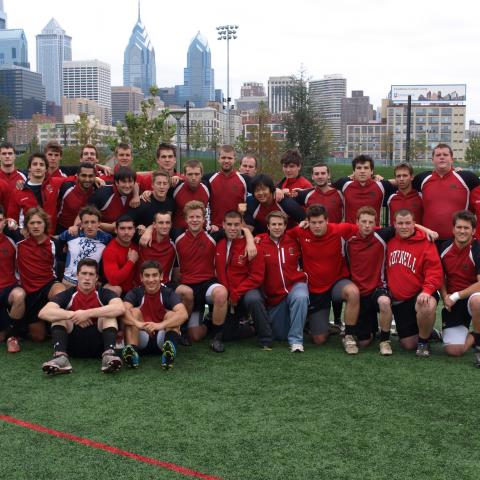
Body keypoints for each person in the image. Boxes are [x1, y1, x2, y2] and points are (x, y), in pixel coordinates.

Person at [288, 204, 361, 354]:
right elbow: (280, 235)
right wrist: (254, 240)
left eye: (320, 222)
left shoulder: (339, 229)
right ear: (308, 221)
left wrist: (420, 229)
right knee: (319, 340)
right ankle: (324, 326)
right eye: (313, 222)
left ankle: (348, 335)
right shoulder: (300, 232)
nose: (317, 226)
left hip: (336, 282)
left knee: (353, 292)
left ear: (327, 221)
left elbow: (368, 229)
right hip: (315, 288)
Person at [39, 259, 125, 374]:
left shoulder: (104, 293)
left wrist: (87, 313)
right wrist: (74, 315)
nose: (87, 278)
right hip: (73, 344)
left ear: (96, 278)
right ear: (77, 275)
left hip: (98, 345)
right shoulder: (68, 294)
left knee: (109, 315)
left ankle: (109, 355)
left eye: (91, 274)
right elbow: (44, 312)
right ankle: (61, 358)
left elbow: (120, 308)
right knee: (59, 316)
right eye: (84, 273)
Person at [386, 209, 443, 357]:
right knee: (408, 344)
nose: (404, 227)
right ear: (394, 225)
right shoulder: (388, 240)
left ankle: (424, 342)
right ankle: (429, 332)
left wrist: (427, 291)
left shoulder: (426, 242)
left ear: (414, 224)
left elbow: (435, 272)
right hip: (400, 301)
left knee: (426, 303)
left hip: (419, 294)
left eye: (407, 223)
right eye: (400, 223)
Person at [174, 200, 228, 352]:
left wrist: (250, 238)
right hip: (188, 286)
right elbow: (158, 227)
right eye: (191, 217)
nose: (195, 220)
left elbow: (236, 230)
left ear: (204, 219)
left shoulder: (213, 235)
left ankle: (217, 337)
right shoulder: (176, 235)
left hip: (207, 284)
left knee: (221, 293)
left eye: (198, 217)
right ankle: (187, 329)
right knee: (195, 336)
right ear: (185, 219)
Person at [255, 211, 309, 351]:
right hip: (275, 296)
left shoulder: (293, 239)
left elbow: (304, 231)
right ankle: (290, 328)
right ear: (268, 226)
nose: (277, 227)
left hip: (295, 285)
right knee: (280, 335)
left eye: (280, 224)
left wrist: (305, 223)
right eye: (273, 224)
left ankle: (297, 341)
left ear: (285, 226)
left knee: (301, 297)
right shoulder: (260, 243)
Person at [345, 206, 395, 355]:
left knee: (385, 302)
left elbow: (406, 224)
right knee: (364, 342)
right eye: (364, 221)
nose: (367, 225)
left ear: (376, 223)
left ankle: (385, 341)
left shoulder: (381, 236)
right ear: (357, 222)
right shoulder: (349, 241)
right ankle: (372, 329)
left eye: (370, 222)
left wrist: (429, 232)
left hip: (377, 289)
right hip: (359, 294)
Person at [122, 260, 188, 369]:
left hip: (162, 339)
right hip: (141, 337)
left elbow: (183, 314)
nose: (151, 279)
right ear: (141, 278)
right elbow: (122, 311)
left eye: (154, 275)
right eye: (147, 276)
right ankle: (132, 353)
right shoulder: (135, 292)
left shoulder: (168, 293)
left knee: (172, 315)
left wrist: (159, 325)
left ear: (161, 276)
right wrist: (138, 324)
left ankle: (168, 356)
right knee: (133, 312)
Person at [16, 207, 66, 345]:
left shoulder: (54, 243)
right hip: (29, 292)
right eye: (32, 223)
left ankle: (65, 335)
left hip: (48, 285)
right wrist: (10, 221)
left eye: (39, 222)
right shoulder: (19, 243)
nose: (36, 226)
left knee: (61, 293)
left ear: (45, 224)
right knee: (38, 337)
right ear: (26, 226)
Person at [412, 143, 479, 242]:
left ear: (452, 159)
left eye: (445, 155)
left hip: (458, 242)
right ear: (433, 160)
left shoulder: (467, 178)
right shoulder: (422, 178)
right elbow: (403, 182)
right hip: (429, 240)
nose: (442, 157)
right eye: (438, 155)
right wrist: (381, 180)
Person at [439, 210, 480, 366]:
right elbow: (440, 277)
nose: (462, 231)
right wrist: (445, 297)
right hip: (455, 301)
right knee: (454, 351)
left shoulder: (477, 249)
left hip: (472, 296)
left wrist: (455, 296)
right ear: (453, 229)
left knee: (478, 302)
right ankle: (475, 334)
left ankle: (478, 349)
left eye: (466, 228)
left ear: (473, 231)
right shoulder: (444, 248)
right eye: (459, 227)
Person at [215, 211, 261, 342]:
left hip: (240, 294)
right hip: (223, 294)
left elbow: (256, 277)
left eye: (236, 224)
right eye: (229, 224)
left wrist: (236, 293)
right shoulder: (218, 241)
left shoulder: (249, 245)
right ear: (223, 225)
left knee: (228, 334)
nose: (233, 228)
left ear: (241, 225)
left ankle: (251, 326)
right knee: (222, 331)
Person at [58, 205, 112, 287]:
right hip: (68, 282)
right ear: (81, 224)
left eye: (93, 222)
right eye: (86, 222)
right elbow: (57, 244)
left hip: (90, 285)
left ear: (99, 223)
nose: (89, 226)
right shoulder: (71, 234)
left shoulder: (106, 238)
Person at [333, 154, 395, 225]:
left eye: (366, 168)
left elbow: (404, 182)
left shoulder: (381, 185)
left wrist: (383, 179)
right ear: (353, 171)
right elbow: (326, 186)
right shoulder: (344, 184)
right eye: (359, 168)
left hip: (373, 233)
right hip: (350, 234)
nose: (362, 171)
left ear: (372, 171)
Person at [7, 153, 59, 233]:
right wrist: (19, 231)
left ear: (46, 169)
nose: (38, 167)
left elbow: (76, 179)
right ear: (29, 168)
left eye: (41, 165)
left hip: (49, 237)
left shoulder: (55, 183)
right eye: (35, 164)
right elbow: (11, 219)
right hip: (27, 240)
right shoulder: (18, 191)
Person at [203, 145, 249, 229]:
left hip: (236, 229)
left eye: (230, 158)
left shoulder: (245, 179)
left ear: (235, 159)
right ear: (219, 159)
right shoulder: (208, 179)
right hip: (215, 229)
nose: (226, 161)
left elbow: (262, 187)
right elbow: (192, 180)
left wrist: (276, 189)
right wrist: (178, 178)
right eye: (223, 157)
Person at [0, 205, 26, 352]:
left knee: (19, 295)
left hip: (8, 288)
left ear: (4, 221)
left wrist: (16, 228)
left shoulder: (12, 239)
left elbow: (28, 240)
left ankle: (13, 337)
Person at [88, 166, 137, 232]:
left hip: (125, 234)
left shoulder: (136, 195)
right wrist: (104, 226)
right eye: (124, 182)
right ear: (116, 182)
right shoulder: (102, 193)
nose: (127, 185)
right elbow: (86, 216)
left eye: (130, 181)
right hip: (100, 233)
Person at [102, 215, 139, 296]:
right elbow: (113, 280)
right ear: (116, 230)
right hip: (119, 291)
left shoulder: (137, 246)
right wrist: (131, 261)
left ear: (134, 230)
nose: (126, 232)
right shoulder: (110, 250)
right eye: (122, 228)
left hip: (135, 291)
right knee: (115, 289)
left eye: (129, 228)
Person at [56, 162, 97, 233]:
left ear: (95, 177)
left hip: (86, 230)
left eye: (90, 176)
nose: (87, 179)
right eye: (84, 175)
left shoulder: (97, 190)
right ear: (77, 176)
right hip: (62, 229)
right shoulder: (66, 187)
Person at [138, 211, 177, 286]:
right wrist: (145, 230)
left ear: (171, 225)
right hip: (141, 286)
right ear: (154, 225)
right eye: (161, 223)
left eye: (167, 223)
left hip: (164, 286)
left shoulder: (173, 245)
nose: (165, 226)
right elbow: (131, 230)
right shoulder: (142, 239)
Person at [172, 160, 210, 230]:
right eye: (190, 174)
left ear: (202, 174)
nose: (193, 178)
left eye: (197, 174)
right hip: (179, 232)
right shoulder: (175, 186)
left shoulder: (208, 186)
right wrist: (148, 192)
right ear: (184, 175)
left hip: (201, 231)